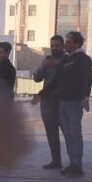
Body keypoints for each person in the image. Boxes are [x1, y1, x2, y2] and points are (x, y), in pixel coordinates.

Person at [55, 31, 92, 178]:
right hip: (63, 101)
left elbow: (86, 79)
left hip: (74, 102)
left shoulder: (82, 59)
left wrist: (85, 97)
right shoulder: (66, 60)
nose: (66, 45)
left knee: (74, 134)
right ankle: (72, 163)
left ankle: (77, 166)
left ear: (76, 44)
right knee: (68, 135)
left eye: (69, 42)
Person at [32, 35, 66, 169]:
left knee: (68, 133)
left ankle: (75, 161)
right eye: (52, 46)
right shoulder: (46, 60)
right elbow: (36, 78)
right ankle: (56, 161)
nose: (54, 48)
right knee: (51, 133)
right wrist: (43, 68)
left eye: (57, 45)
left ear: (63, 46)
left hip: (63, 102)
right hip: (48, 102)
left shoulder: (67, 60)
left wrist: (57, 65)